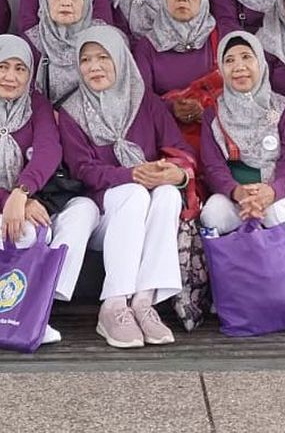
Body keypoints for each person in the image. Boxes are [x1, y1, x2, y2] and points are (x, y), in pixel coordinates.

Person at [0, 36, 100, 345]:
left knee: (86, 209)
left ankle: (40, 307)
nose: (11, 77)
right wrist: (9, 202)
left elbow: (47, 152)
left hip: (31, 199)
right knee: (24, 232)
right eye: (2, 67)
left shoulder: (37, 105)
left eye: (19, 69)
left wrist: (22, 193)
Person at [59, 26, 190, 349]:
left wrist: (176, 173)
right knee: (133, 194)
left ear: (120, 60)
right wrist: (132, 175)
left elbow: (177, 149)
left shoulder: (145, 101)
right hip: (105, 215)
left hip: (143, 207)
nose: (94, 66)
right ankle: (115, 304)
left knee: (168, 195)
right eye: (86, 60)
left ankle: (144, 302)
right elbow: (83, 170)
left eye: (103, 57)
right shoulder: (72, 111)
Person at [199, 31, 285, 277]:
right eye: (229, 60)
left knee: (279, 212)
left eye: (247, 57)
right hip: (235, 196)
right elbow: (213, 167)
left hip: (276, 193)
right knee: (213, 213)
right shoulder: (213, 113)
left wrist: (270, 192)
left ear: (261, 62)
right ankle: (229, 288)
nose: (239, 67)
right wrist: (237, 192)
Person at [132, 0, 219, 136]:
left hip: (217, 131)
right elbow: (141, 98)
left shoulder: (219, 37)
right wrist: (172, 108)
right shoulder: (147, 46)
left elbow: (241, 87)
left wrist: (207, 108)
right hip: (167, 133)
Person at [25, 0, 109, 107]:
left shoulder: (104, 40)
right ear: (46, 1)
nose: (66, 2)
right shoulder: (31, 41)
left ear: (87, 2)